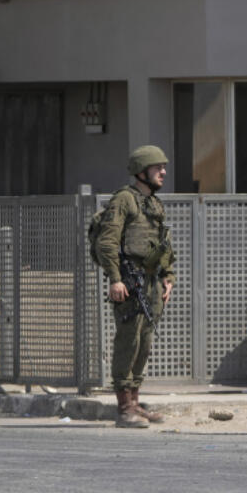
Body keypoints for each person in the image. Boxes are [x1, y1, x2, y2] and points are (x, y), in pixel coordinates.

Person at [92, 145, 176, 428]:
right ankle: (124, 406)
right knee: (129, 341)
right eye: (157, 168)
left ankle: (136, 402)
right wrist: (115, 278)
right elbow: (107, 242)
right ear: (141, 172)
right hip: (130, 281)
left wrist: (168, 276)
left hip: (151, 281)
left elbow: (163, 244)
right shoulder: (124, 200)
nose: (163, 172)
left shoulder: (153, 203)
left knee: (145, 342)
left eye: (164, 167)